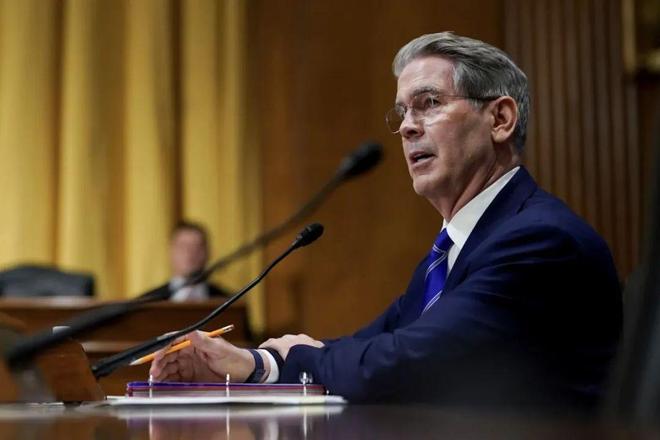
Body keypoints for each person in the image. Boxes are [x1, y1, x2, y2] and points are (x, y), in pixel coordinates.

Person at [149, 32, 622, 409]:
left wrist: (282, 362)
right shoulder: (456, 249)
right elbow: (374, 345)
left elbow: (408, 362)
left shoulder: (539, 240)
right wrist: (250, 362)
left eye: (429, 103)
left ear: (499, 119)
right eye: (402, 112)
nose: (408, 127)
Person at [141, 221, 231, 302]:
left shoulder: (228, 302)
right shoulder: (147, 302)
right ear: (170, 251)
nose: (189, 253)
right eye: (183, 246)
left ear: (208, 252)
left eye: (197, 247)